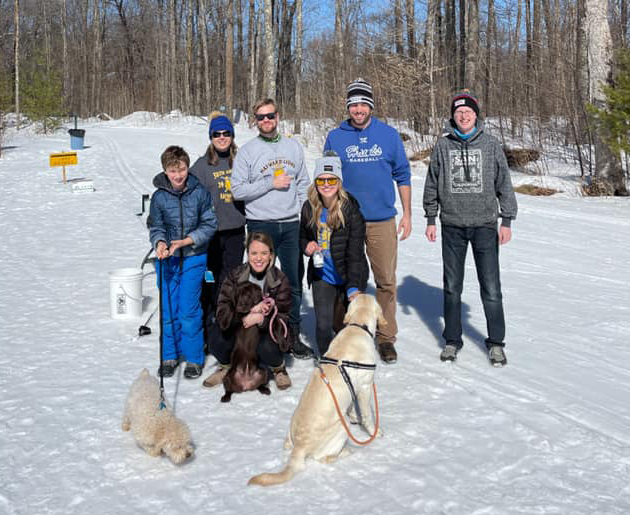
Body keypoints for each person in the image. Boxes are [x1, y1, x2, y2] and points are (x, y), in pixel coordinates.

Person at [422, 91, 518, 366]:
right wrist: (431, 218)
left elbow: (504, 183)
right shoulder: (442, 146)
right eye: (458, 112)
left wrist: (507, 220)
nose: (463, 116)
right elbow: (432, 182)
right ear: (452, 116)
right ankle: (452, 340)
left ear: (476, 115)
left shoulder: (490, 144)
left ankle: (496, 343)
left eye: (468, 111)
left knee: (491, 287)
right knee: (452, 287)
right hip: (452, 225)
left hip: (485, 226)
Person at [324, 78, 412, 364]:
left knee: (385, 280)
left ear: (371, 106)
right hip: (346, 218)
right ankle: (344, 331)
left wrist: (407, 214)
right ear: (347, 106)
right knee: (344, 276)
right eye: (353, 104)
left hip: (381, 219)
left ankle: (385, 337)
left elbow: (403, 175)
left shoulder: (388, 135)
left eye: (363, 104)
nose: (358, 109)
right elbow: (326, 178)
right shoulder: (335, 137)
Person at [230, 98, 313, 359]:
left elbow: (303, 184)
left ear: (278, 116)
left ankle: (292, 334)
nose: (266, 121)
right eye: (261, 117)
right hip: (260, 224)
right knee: (259, 282)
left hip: (290, 224)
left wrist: (303, 215)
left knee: (292, 282)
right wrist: (269, 183)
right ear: (255, 121)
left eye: (270, 116)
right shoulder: (247, 152)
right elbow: (238, 190)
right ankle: (261, 335)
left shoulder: (293, 147)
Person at [149, 145, 218, 379]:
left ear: (187, 168)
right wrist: (160, 242)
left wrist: (187, 241)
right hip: (167, 259)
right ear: (165, 171)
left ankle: (193, 357)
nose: (178, 176)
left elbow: (210, 224)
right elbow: (155, 225)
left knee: (188, 309)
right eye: (172, 171)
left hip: (193, 256)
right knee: (169, 308)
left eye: (181, 170)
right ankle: (170, 355)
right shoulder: (159, 196)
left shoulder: (199, 192)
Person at [202, 231, 293, 390]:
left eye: (264, 253)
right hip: (239, 330)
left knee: (267, 348)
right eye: (254, 253)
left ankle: (278, 368)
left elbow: (284, 317)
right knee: (216, 340)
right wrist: (246, 314)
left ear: (271, 255)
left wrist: (262, 319)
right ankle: (225, 366)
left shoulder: (279, 280)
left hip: (265, 334)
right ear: (248, 254)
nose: (259, 258)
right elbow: (222, 310)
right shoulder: (234, 276)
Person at [299, 154, 369, 356]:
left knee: (349, 325)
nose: (326, 184)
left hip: (349, 274)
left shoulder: (350, 210)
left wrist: (354, 286)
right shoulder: (308, 208)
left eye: (332, 179)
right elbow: (301, 237)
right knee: (323, 325)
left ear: (339, 182)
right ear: (315, 182)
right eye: (321, 179)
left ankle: (351, 361)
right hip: (323, 274)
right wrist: (307, 246)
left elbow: (356, 254)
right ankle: (327, 362)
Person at [190, 112, 246, 340]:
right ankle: (209, 323)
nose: (222, 137)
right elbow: (187, 189)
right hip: (212, 234)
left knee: (231, 278)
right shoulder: (202, 166)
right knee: (210, 278)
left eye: (226, 133)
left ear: (232, 135)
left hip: (235, 231)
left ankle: (228, 324)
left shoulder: (241, 160)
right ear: (211, 137)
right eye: (216, 134)